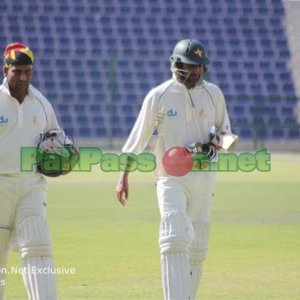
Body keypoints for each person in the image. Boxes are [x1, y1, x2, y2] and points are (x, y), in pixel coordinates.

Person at [116, 39, 234, 300]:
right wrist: (123, 175)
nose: (194, 73)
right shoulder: (159, 96)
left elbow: (224, 133)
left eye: (199, 68)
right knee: (174, 237)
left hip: (204, 176)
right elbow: (139, 136)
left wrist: (214, 147)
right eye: (189, 67)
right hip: (170, 177)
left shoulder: (213, 93)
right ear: (176, 64)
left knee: (198, 244)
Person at [0, 42, 59, 299]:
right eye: (17, 72)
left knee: (38, 245)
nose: (23, 77)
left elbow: (56, 137)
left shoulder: (41, 103)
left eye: (28, 71)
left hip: (32, 186)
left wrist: (63, 154)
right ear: (6, 70)